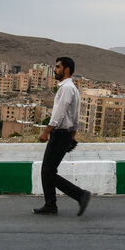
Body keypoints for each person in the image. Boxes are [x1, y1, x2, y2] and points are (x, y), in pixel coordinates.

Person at [34, 57, 91, 216]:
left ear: (67, 69)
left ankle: (80, 195)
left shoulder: (66, 88)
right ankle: (50, 204)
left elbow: (59, 113)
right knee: (48, 170)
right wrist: (72, 135)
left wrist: (46, 132)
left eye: (58, 67)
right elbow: (75, 115)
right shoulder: (72, 88)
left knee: (48, 172)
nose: (55, 70)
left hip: (59, 134)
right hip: (64, 134)